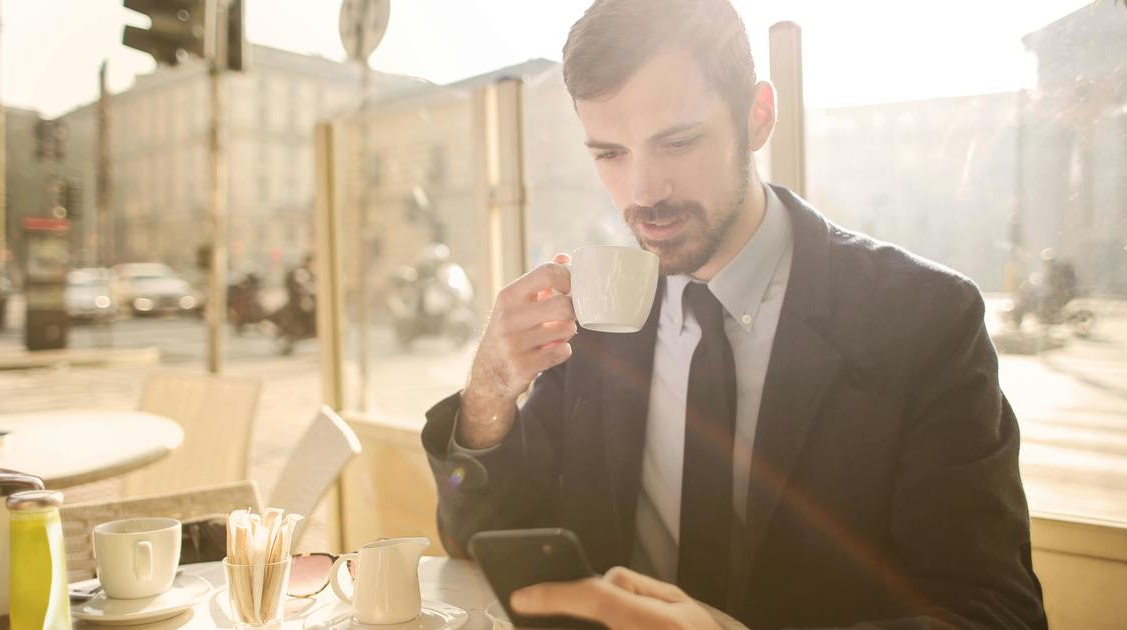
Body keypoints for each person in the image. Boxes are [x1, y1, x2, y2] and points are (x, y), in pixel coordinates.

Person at [421, 0, 1047, 627]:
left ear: (758, 117)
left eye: (678, 142)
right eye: (610, 153)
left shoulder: (924, 319)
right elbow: (481, 542)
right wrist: (489, 392)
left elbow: (995, 613)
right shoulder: (595, 317)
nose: (643, 191)